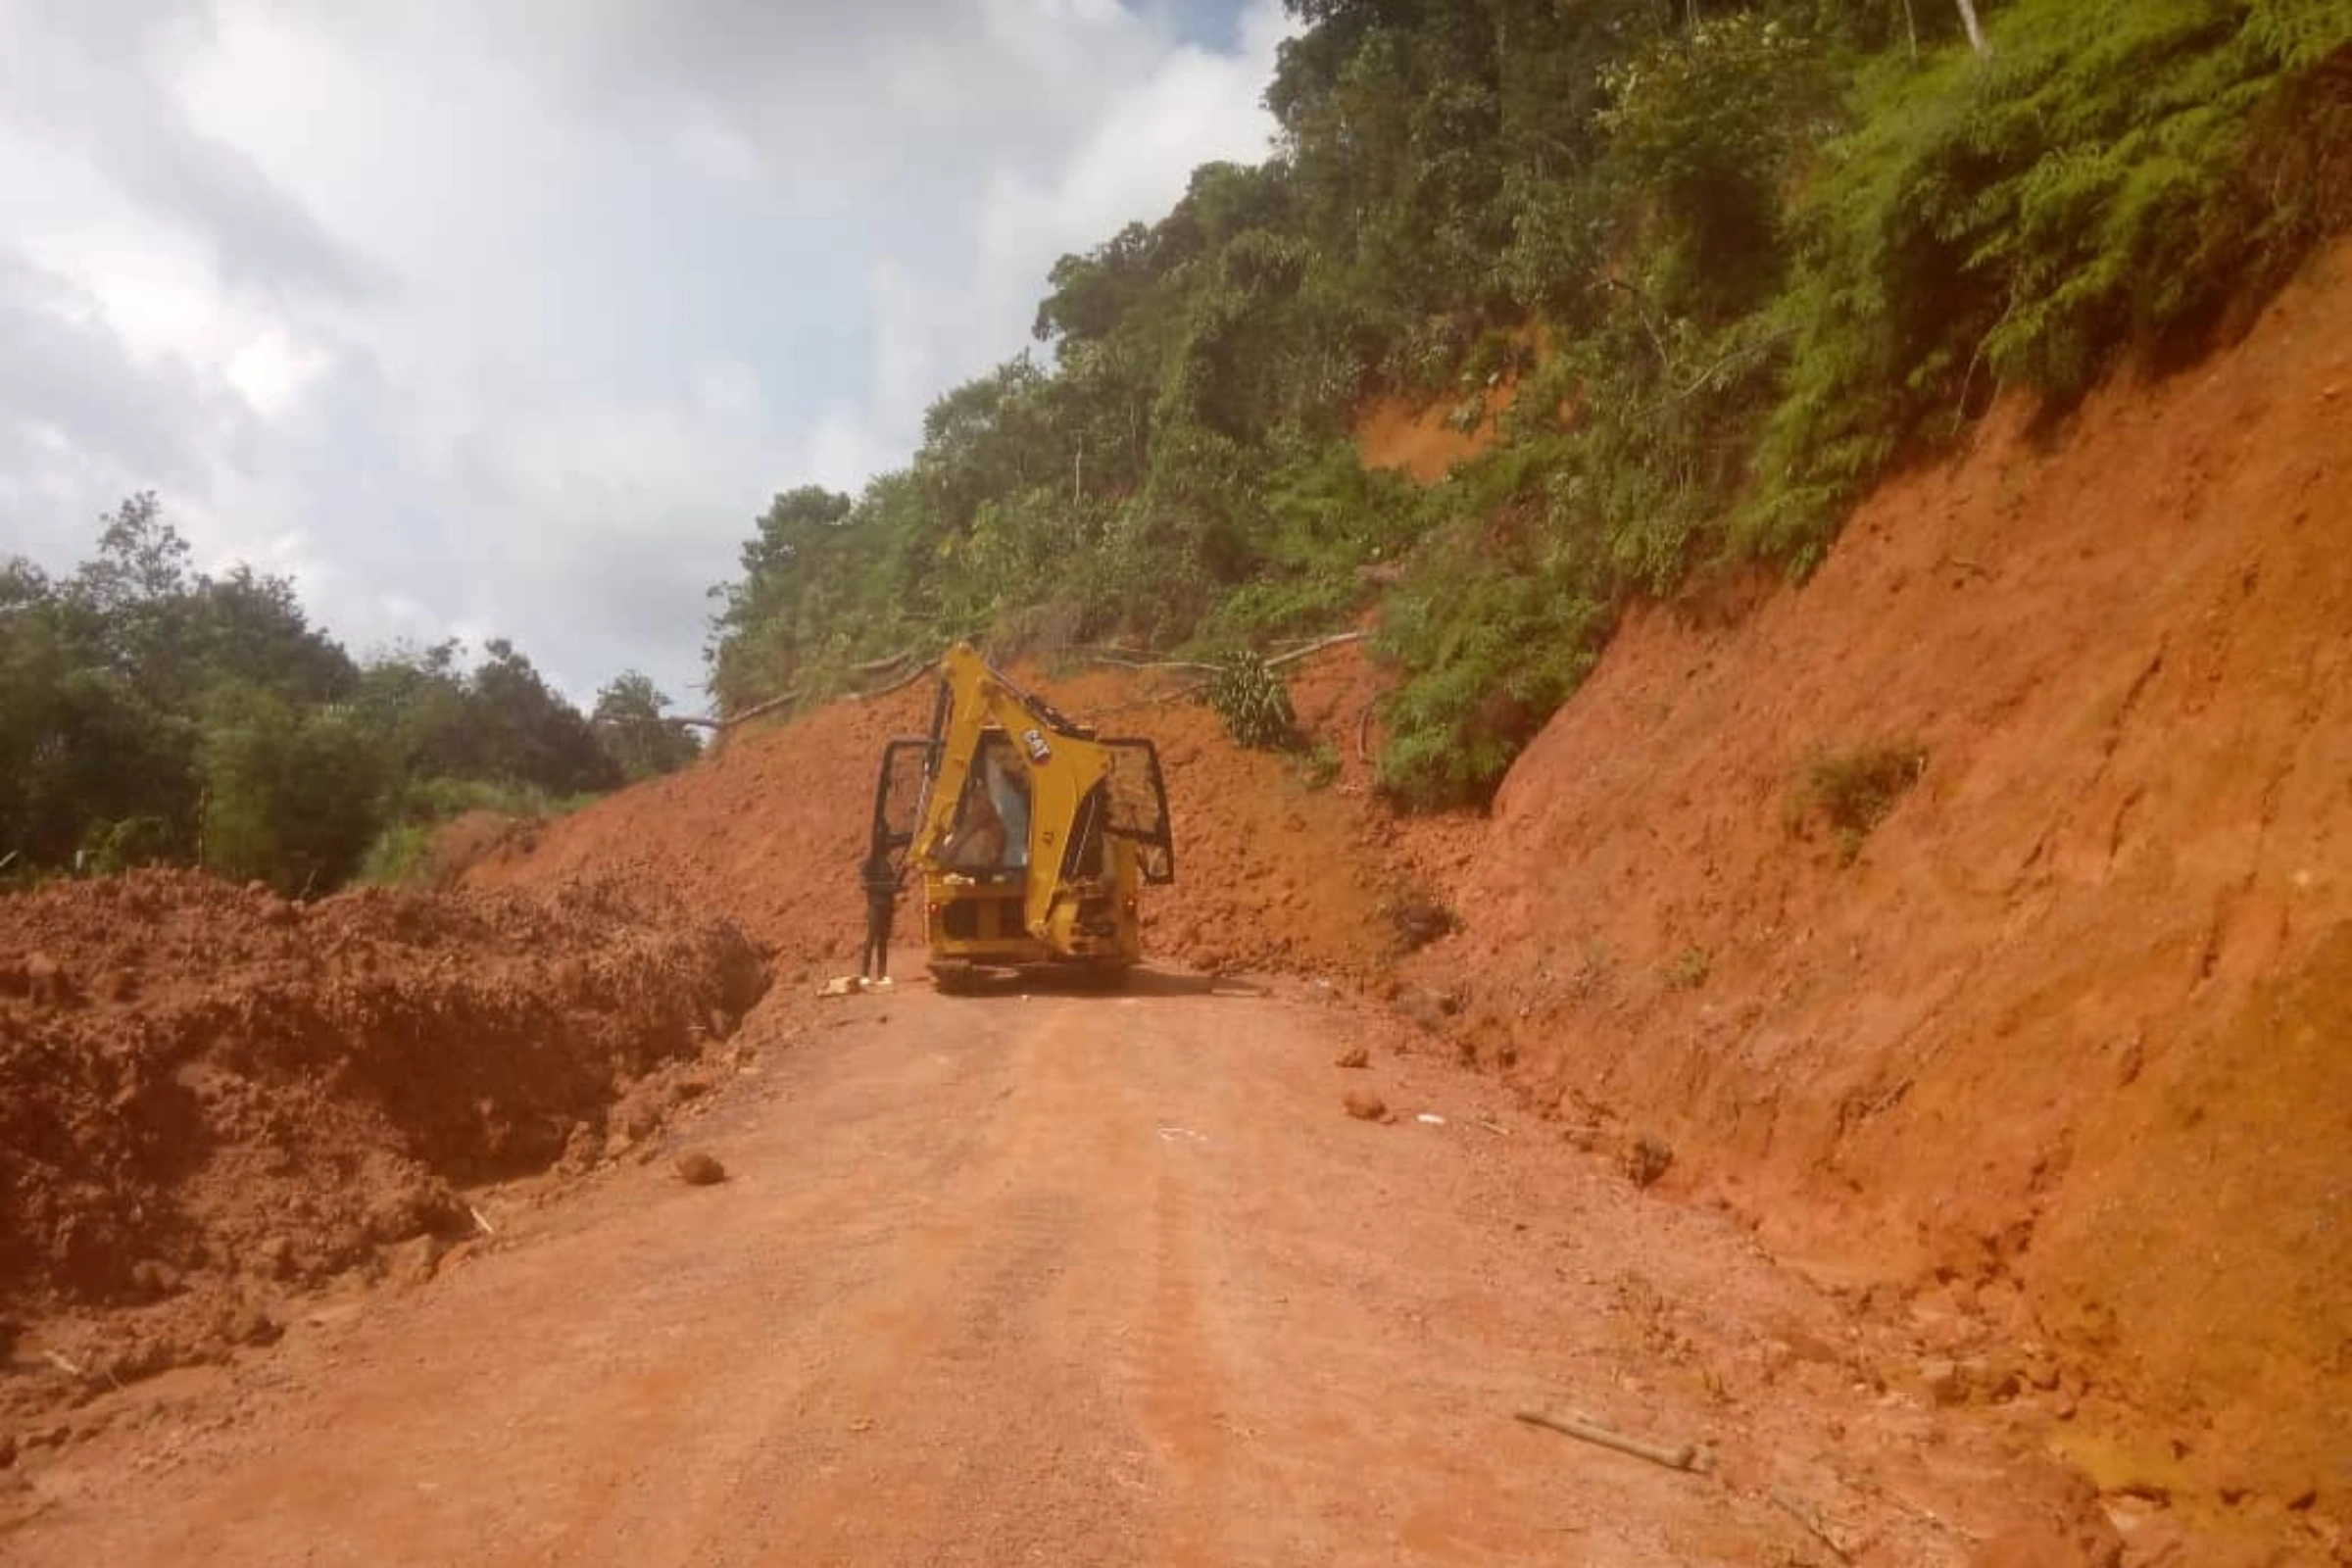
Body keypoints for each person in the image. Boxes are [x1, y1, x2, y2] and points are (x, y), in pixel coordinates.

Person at [858, 850, 902, 982]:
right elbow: (863, 883)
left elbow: (894, 884)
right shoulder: (870, 863)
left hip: (887, 906)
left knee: (883, 940)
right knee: (871, 938)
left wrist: (895, 887)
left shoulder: (889, 863)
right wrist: (884, 887)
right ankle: (865, 974)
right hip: (875, 906)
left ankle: (881, 974)